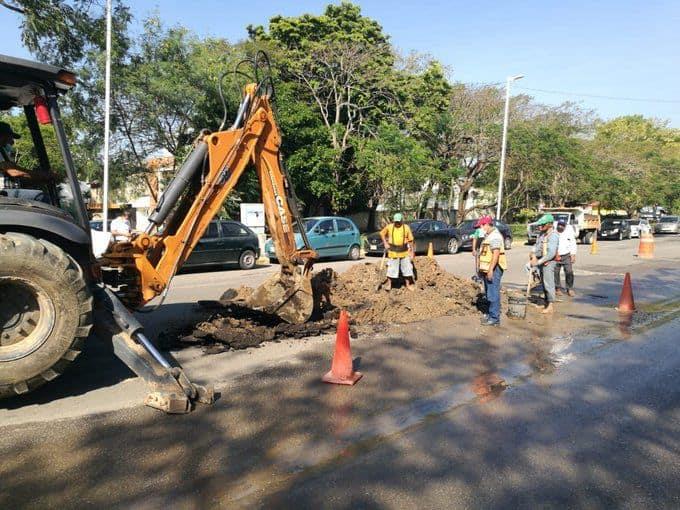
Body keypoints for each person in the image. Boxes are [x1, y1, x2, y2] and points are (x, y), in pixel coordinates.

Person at [0, 121, 54, 185]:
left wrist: (40, 177)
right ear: (2, 136)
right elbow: (13, 171)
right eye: (9, 137)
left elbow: (17, 173)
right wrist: (43, 176)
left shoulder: (2, 151)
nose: (12, 142)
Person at [476, 215, 507, 326]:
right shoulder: (488, 236)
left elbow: (496, 254)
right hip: (487, 269)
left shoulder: (495, 236)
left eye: (481, 226)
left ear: (486, 225)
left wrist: (490, 270)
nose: (480, 228)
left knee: (493, 293)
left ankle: (494, 318)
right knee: (489, 293)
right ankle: (491, 315)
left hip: (494, 269)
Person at [530, 214, 560, 314]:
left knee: (549, 283)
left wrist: (538, 261)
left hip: (549, 262)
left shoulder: (553, 235)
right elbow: (537, 246)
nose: (539, 227)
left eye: (542, 225)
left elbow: (551, 253)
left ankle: (550, 305)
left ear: (549, 224)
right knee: (543, 282)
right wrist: (533, 254)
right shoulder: (542, 234)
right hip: (541, 261)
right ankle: (546, 302)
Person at [380, 212, 415, 291]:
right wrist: (385, 243)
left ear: (401, 220)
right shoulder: (389, 227)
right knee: (391, 269)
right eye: (396, 222)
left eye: (399, 222)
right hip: (393, 252)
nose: (397, 223)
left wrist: (412, 252)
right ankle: (389, 285)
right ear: (394, 221)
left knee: (407, 269)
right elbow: (381, 233)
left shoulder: (406, 228)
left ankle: (408, 285)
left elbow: (411, 240)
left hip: (404, 252)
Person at [555, 220, 577, 297]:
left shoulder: (569, 230)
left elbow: (573, 242)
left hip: (566, 255)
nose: (560, 227)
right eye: (559, 225)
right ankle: (557, 288)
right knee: (555, 272)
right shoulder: (553, 230)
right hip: (555, 255)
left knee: (569, 271)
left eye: (562, 226)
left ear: (565, 226)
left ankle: (569, 288)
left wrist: (573, 254)